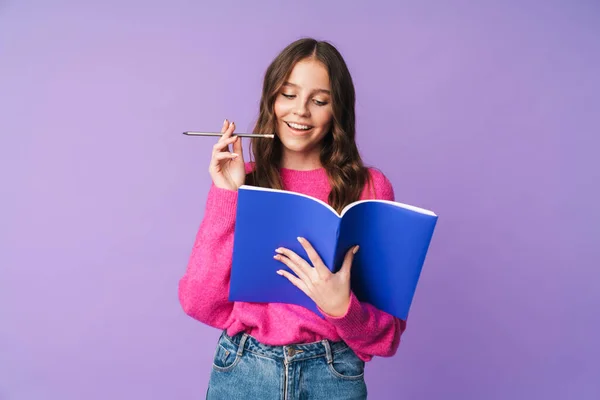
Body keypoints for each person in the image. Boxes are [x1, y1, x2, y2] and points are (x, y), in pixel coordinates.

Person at [178, 37, 407, 400]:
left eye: (319, 101)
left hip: (332, 375)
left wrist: (342, 308)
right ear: (271, 99)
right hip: (244, 369)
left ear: (337, 111)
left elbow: (387, 336)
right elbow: (200, 302)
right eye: (288, 94)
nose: (300, 111)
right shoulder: (245, 178)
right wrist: (226, 193)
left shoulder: (370, 187)